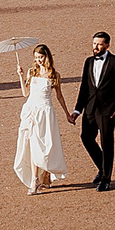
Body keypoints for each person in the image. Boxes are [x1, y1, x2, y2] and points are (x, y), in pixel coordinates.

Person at [76, 30, 115, 191]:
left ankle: (106, 179)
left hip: (108, 111)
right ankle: (102, 168)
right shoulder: (88, 62)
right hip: (90, 109)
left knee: (107, 143)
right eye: (94, 43)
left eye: (100, 44)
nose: (96, 47)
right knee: (86, 138)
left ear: (107, 45)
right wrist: (77, 110)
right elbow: (84, 87)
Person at [13, 44, 72, 194]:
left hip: (46, 113)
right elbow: (25, 93)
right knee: (33, 145)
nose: (38, 60)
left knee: (45, 146)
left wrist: (67, 114)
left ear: (47, 57)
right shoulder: (32, 72)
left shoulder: (54, 75)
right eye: (36, 58)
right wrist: (21, 76)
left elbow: (59, 96)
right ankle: (34, 181)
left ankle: (44, 176)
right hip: (31, 111)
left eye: (41, 57)